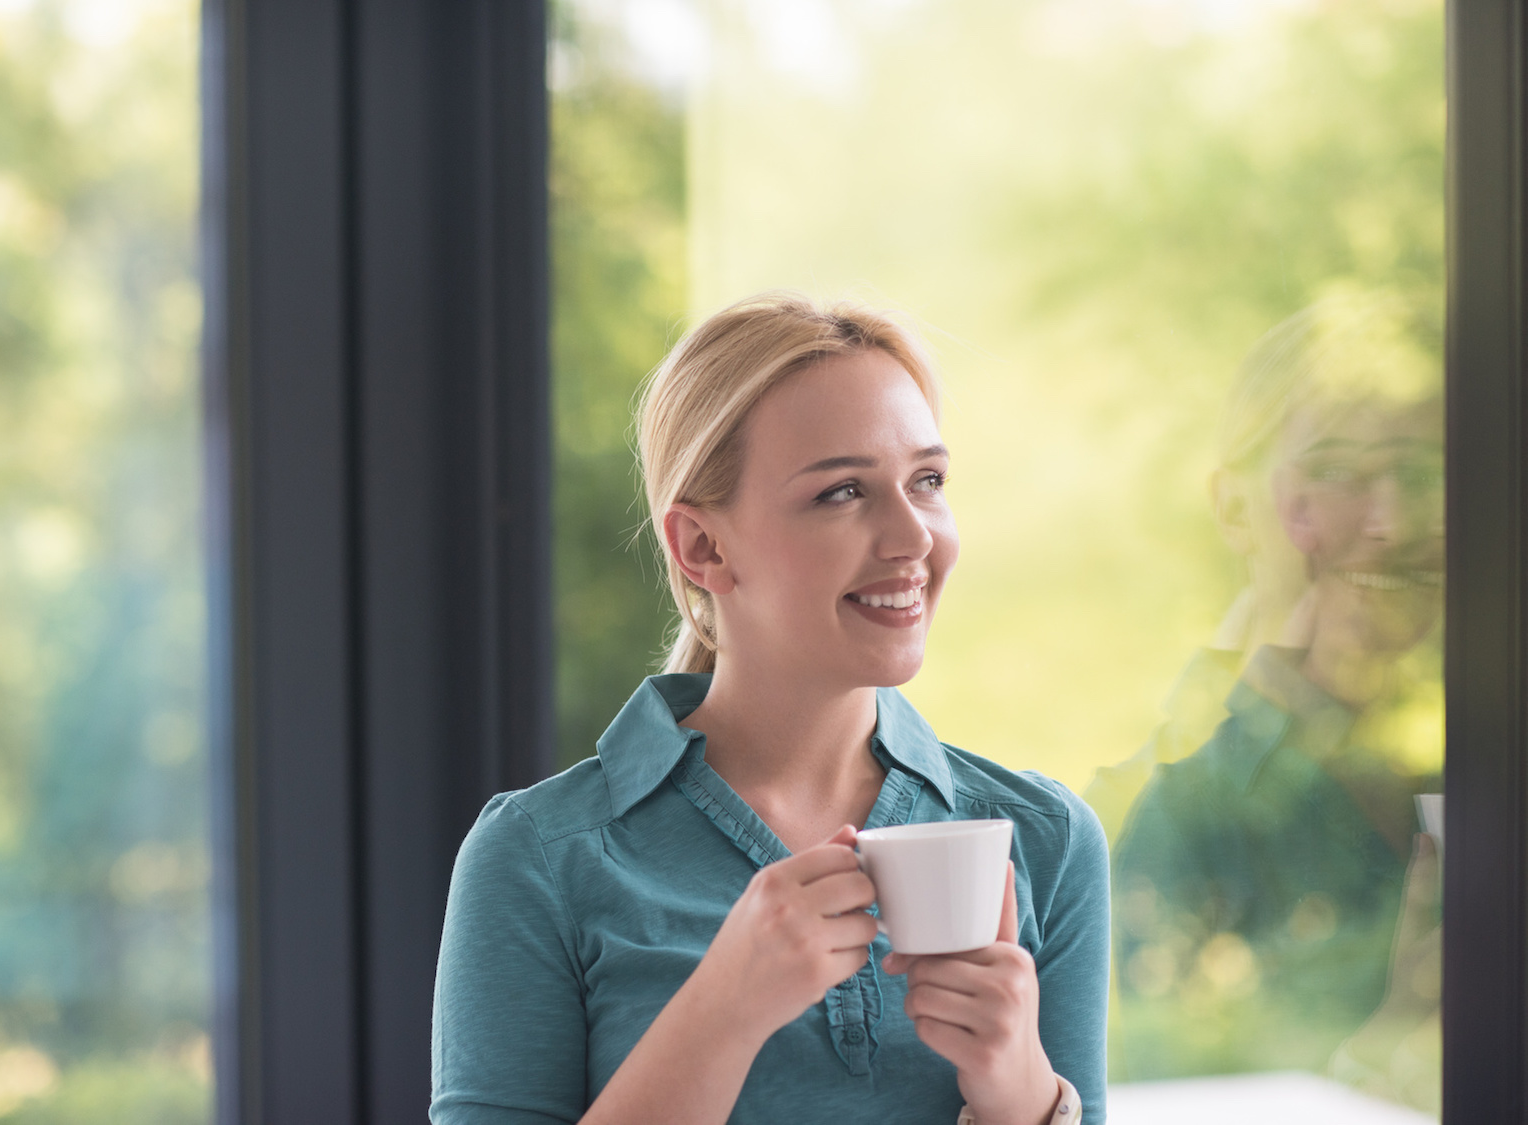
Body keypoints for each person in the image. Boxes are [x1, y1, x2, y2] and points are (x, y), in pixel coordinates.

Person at [431, 294, 1110, 1125]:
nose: (913, 536)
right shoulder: (539, 859)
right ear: (702, 547)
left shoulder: (1045, 839)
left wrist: (1025, 1095)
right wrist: (723, 1009)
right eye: (843, 492)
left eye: (927, 481)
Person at [1105, 296, 1444, 1106]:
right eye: (1335, 472)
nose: (1391, 522)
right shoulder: (1185, 816)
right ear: (1233, 509)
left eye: (1424, 473)